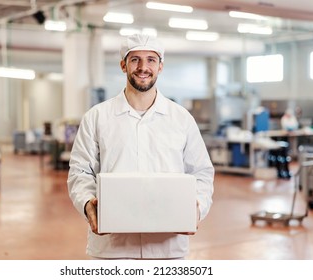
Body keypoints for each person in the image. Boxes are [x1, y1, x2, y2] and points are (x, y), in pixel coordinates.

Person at [67, 34, 214, 259]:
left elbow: (201, 172)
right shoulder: (97, 117)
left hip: (168, 248)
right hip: (112, 249)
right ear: (123, 65)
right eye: (135, 59)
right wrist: (87, 203)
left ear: (160, 66)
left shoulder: (181, 119)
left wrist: (197, 207)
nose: (143, 67)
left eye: (151, 60)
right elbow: (79, 172)